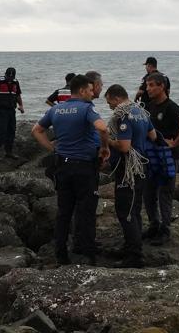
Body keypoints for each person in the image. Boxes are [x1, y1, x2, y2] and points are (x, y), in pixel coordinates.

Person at [31, 74, 110, 265]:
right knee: (86, 210)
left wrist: (52, 148)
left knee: (64, 211)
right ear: (82, 91)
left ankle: (61, 254)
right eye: (90, 90)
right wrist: (105, 148)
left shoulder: (56, 109)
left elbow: (36, 130)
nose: (93, 93)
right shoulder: (86, 108)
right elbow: (103, 128)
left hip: (62, 166)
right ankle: (87, 253)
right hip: (84, 166)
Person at [104, 84, 157, 268]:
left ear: (116, 98)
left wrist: (107, 140)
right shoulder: (141, 111)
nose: (110, 107)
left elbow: (124, 147)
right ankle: (132, 247)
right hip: (142, 167)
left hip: (128, 169)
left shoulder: (124, 115)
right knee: (135, 210)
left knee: (125, 211)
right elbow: (154, 135)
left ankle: (134, 257)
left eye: (109, 102)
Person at [143, 72, 179, 245]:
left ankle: (165, 230)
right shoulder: (148, 106)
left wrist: (175, 143)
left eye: (151, 85)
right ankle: (153, 225)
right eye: (147, 85)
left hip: (168, 157)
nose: (147, 89)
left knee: (165, 193)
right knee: (148, 192)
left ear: (161, 86)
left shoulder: (171, 106)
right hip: (151, 156)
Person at [0, 67, 24, 160]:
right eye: (8, 76)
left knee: (11, 131)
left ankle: (9, 152)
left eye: (12, 77)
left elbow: (18, 95)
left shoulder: (15, 82)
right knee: (2, 131)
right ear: (6, 74)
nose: (10, 79)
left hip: (12, 110)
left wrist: (21, 105)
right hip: (1, 110)